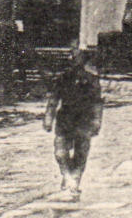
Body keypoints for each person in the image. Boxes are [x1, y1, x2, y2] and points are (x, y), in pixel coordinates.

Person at [44, 49, 103, 199]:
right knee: (60, 152)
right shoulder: (62, 79)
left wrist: (96, 121)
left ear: (83, 62)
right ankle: (68, 176)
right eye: (72, 60)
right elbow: (53, 100)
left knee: (81, 153)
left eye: (77, 60)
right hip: (65, 119)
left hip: (84, 120)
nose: (74, 63)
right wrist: (48, 119)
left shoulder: (91, 81)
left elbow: (97, 103)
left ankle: (74, 181)